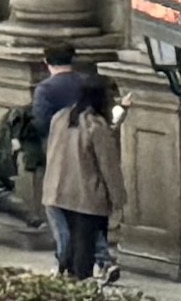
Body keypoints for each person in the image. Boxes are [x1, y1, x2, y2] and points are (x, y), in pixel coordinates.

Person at [38, 67, 124, 279]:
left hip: (56, 191)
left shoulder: (60, 118)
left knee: (68, 247)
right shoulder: (96, 125)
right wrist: (118, 197)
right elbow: (108, 166)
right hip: (86, 196)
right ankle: (80, 293)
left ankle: (67, 282)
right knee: (84, 251)